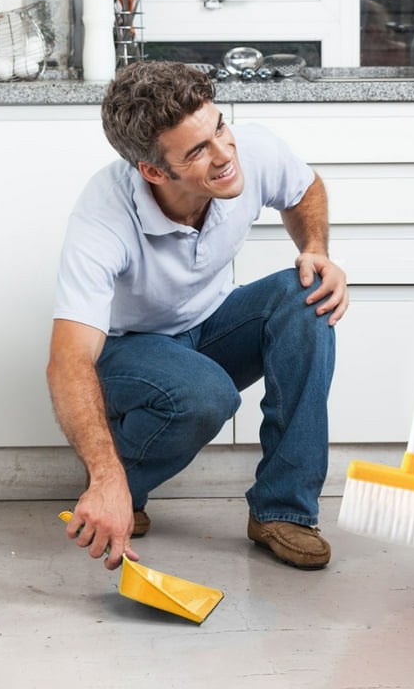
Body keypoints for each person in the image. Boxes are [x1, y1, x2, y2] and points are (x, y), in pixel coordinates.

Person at [47, 60, 348, 572]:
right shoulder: (103, 218)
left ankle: (283, 510)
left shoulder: (247, 150)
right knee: (205, 393)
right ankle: (121, 486)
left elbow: (305, 189)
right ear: (154, 171)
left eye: (220, 128)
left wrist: (315, 248)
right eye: (198, 151)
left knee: (307, 293)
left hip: (214, 322)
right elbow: (68, 361)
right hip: (130, 349)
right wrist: (105, 476)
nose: (225, 154)